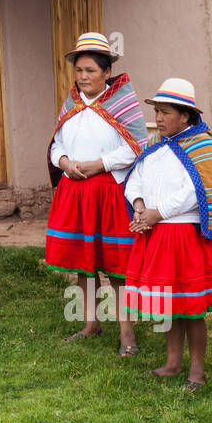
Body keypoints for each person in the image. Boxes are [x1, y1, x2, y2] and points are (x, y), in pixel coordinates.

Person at [124, 79, 212, 389]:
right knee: (168, 303)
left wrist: (159, 213)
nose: (157, 118)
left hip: (184, 236)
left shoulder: (202, 147)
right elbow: (135, 180)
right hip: (156, 234)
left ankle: (197, 369)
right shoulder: (155, 148)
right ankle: (172, 362)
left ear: (185, 116)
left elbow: (197, 191)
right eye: (156, 111)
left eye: (165, 112)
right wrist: (140, 205)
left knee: (191, 308)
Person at [45, 32, 145, 355]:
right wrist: (64, 162)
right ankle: (91, 323)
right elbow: (57, 143)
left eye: (90, 70)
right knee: (82, 262)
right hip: (74, 192)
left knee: (115, 265)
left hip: (108, 193)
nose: (83, 76)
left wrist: (98, 164)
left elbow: (137, 147)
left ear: (106, 72)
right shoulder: (71, 104)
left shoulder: (123, 104)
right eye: (79, 70)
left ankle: (126, 334)